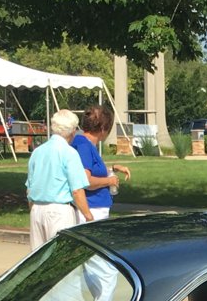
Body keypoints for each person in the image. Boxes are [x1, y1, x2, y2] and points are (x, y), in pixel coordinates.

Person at [25, 109, 93, 250]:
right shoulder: (69, 153)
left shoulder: (37, 152)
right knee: (61, 256)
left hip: (37, 209)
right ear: (72, 131)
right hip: (59, 211)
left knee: (38, 256)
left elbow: (29, 188)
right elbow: (77, 190)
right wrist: (88, 216)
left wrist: (33, 209)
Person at [72, 104, 131, 222]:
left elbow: (90, 168)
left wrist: (113, 168)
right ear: (103, 128)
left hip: (94, 207)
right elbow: (85, 180)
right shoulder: (84, 146)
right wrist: (109, 181)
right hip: (92, 208)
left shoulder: (82, 142)